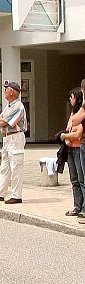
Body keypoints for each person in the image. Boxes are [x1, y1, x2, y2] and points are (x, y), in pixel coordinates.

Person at [0, 80, 27, 204]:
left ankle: (16, 195)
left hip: (16, 137)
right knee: (5, 167)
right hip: (8, 137)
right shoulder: (9, 106)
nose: (4, 91)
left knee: (16, 167)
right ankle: (0, 193)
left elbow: (4, 122)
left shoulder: (18, 106)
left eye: (6, 89)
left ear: (12, 91)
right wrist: (2, 121)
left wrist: (3, 121)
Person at [61, 87, 85, 217]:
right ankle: (77, 206)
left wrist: (65, 137)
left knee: (82, 180)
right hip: (70, 149)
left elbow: (78, 133)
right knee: (74, 179)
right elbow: (68, 129)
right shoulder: (72, 113)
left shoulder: (82, 113)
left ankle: (84, 208)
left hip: (78, 148)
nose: (70, 99)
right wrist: (66, 137)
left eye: (72, 97)